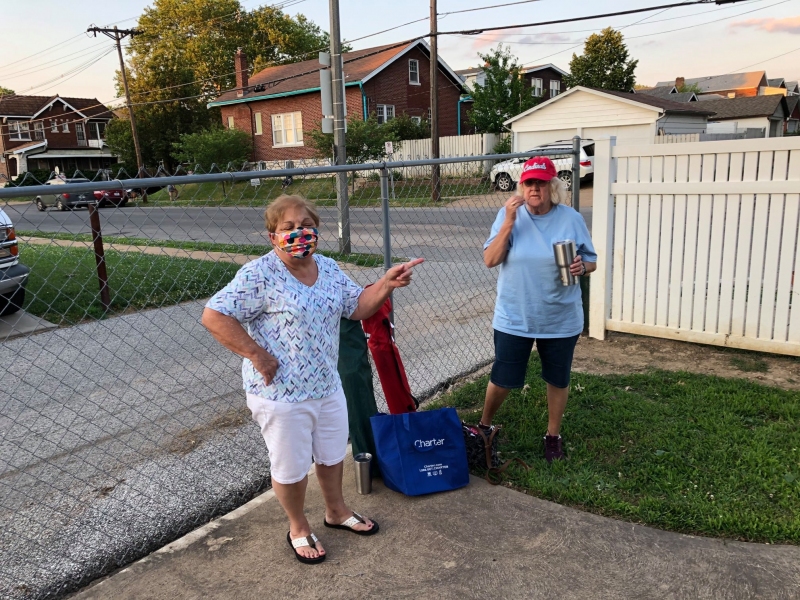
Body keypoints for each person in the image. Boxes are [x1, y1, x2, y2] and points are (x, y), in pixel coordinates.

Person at [201, 195, 423, 565]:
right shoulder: (260, 274)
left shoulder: (328, 267)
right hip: (281, 394)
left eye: (305, 225)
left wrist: (386, 284)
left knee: (333, 454)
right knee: (290, 466)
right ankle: (298, 526)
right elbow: (215, 315)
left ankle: (335, 512)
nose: (298, 232)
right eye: (287, 228)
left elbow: (357, 307)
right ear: (272, 236)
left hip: (326, 385)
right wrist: (256, 354)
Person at [479, 156, 597, 462]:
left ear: (552, 186)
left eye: (541, 183)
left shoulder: (570, 218)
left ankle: (553, 436)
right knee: (503, 376)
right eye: (529, 183)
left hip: (560, 317)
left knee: (558, 378)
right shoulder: (509, 216)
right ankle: (484, 426)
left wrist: (581, 267)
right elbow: (490, 260)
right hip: (515, 316)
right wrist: (507, 221)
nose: (535, 189)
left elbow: (592, 260)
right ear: (522, 186)